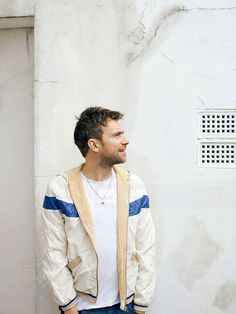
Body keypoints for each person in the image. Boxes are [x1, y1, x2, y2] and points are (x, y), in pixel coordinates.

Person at [42, 107, 156, 314]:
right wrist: (70, 309)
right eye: (117, 135)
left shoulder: (134, 186)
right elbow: (53, 256)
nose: (126, 140)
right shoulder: (60, 189)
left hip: (127, 305)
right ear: (94, 144)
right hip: (82, 307)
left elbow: (146, 249)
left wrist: (140, 306)